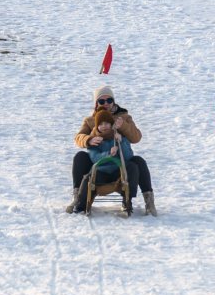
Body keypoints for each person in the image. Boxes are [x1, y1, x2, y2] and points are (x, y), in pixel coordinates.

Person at [67, 85, 156, 216]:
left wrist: (123, 127)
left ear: (113, 101)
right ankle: (78, 198)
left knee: (138, 162)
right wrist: (88, 139)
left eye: (109, 100)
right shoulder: (91, 121)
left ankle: (148, 201)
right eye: (101, 101)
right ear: (96, 104)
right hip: (99, 165)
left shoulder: (123, 117)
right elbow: (78, 138)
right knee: (80, 156)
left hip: (121, 164)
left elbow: (136, 137)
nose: (106, 104)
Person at [72, 107, 139, 214]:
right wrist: (108, 154)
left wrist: (121, 142)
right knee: (87, 179)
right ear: (97, 126)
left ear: (111, 124)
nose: (104, 126)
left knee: (132, 167)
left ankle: (127, 201)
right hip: (101, 171)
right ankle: (80, 204)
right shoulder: (95, 140)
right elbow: (94, 157)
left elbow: (127, 156)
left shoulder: (118, 137)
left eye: (107, 123)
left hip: (118, 171)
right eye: (101, 124)